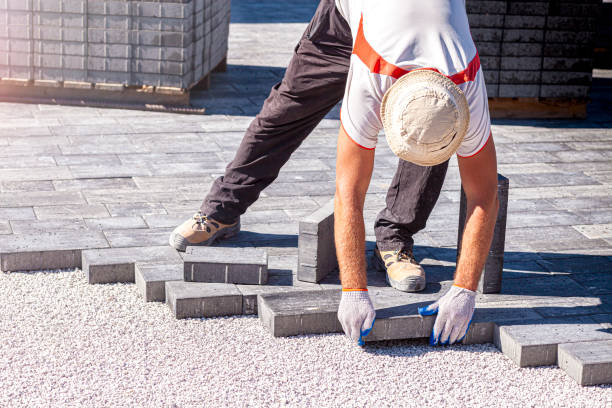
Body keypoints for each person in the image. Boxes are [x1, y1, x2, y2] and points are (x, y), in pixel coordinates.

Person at [169, 0, 452, 294]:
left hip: (417, 28)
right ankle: (221, 210)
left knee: (432, 120)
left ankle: (395, 241)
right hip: (343, 23)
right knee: (283, 111)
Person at [333, 0, 498, 347]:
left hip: (430, 36)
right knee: (297, 93)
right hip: (359, 17)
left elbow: (484, 195)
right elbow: (348, 191)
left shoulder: (465, 81)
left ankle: (393, 236)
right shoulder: (369, 71)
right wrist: (352, 289)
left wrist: (465, 289)